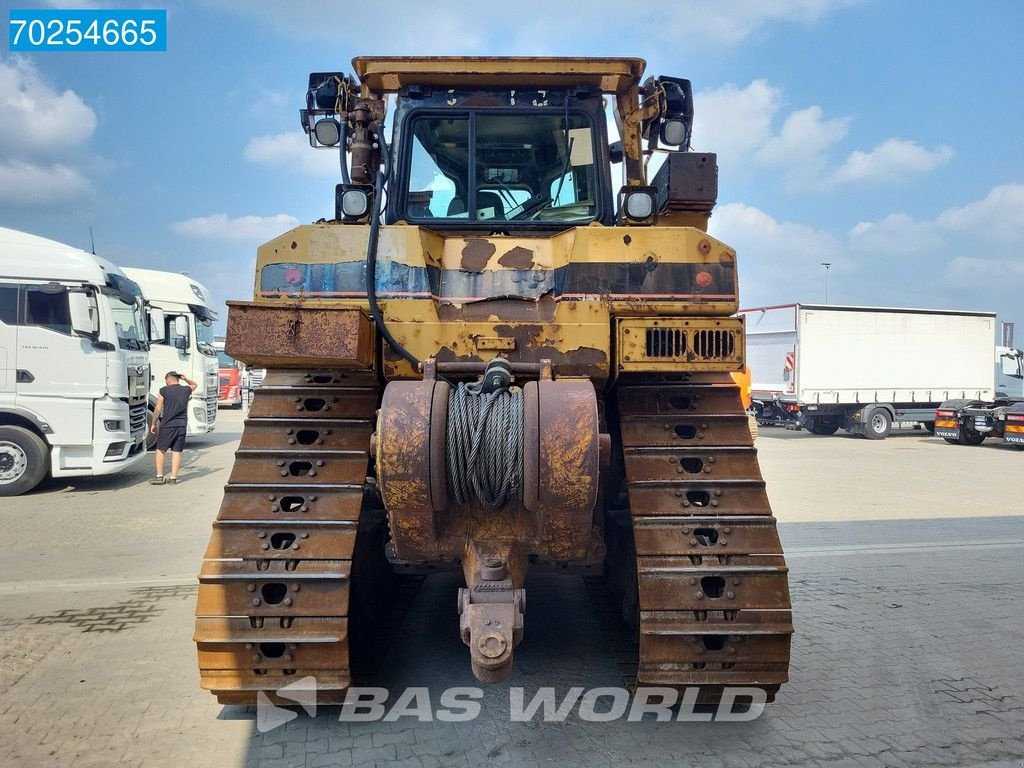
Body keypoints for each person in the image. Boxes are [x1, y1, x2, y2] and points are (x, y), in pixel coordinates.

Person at [149, 371, 197, 484]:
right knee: (176, 451)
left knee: (160, 450)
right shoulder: (186, 389)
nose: (166, 384)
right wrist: (186, 379)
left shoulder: (164, 391)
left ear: (169, 380)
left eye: (166, 382)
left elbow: (158, 408)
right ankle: (173, 478)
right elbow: (195, 385)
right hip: (181, 425)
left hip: (168, 425)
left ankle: (159, 477)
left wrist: (153, 423)